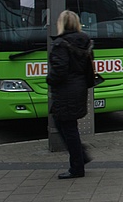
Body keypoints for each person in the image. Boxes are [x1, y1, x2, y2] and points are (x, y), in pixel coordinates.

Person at [47, 10, 95, 179]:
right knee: (65, 124)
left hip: (66, 89)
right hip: (79, 87)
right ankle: (81, 157)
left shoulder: (61, 44)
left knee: (67, 127)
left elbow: (59, 70)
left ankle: (77, 167)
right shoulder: (85, 42)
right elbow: (89, 68)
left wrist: (49, 80)